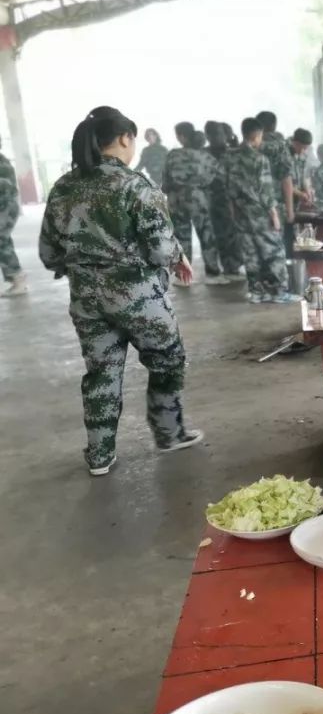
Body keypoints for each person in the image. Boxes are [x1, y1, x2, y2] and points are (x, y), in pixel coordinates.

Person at [38, 106, 202, 475]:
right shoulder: (135, 186)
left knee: (101, 373)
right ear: (126, 139)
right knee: (167, 361)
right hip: (138, 298)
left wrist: (82, 267)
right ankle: (168, 433)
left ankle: (99, 456)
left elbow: (49, 253)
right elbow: (160, 249)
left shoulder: (64, 187)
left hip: (86, 300)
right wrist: (178, 256)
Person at [223, 117, 297, 304]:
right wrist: (274, 215)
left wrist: (233, 212)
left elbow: (228, 189)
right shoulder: (259, 159)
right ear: (257, 136)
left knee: (250, 253)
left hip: (241, 212)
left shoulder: (229, 157)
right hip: (260, 214)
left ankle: (256, 292)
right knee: (274, 252)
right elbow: (265, 191)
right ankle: (279, 292)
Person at [161, 122, 223, 284]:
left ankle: (183, 277)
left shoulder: (172, 155)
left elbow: (165, 184)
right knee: (206, 236)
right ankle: (213, 274)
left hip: (176, 200)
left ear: (181, 136)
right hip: (198, 200)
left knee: (181, 238)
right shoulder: (205, 157)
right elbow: (217, 179)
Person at [204, 121, 246, 282]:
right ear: (208, 136)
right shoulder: (205, 154)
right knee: (219, 235)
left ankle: (232, 266)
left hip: (232, 198)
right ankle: (225, 267)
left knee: (232, 233)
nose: (220, 137)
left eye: (222, 134)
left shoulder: (231, 151)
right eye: (216, 134)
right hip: (214, 199)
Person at [255, 111, 296, 233]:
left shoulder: (248, 146)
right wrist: (290, 211)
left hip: (251, 209)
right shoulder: (280, 147)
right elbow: (286, 180)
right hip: (275, 206)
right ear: (274, 126)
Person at [0, 135, 25, 297]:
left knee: (1, 241)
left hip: (5, 209)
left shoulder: (2, 164)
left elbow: (4, 191)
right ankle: (16, 279)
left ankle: (17, 279)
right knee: (3, 241)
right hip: (5, 207)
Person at [289, 127, 314, 211]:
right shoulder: (284, 156)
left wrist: (307, 191)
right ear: (294, 143)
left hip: (298, 201)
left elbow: (303, 177)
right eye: (302, 147)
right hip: (285, 200)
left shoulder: (303, 156)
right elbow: (282, 182)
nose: (303, 151)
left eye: (306, 148)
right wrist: (300, 194)